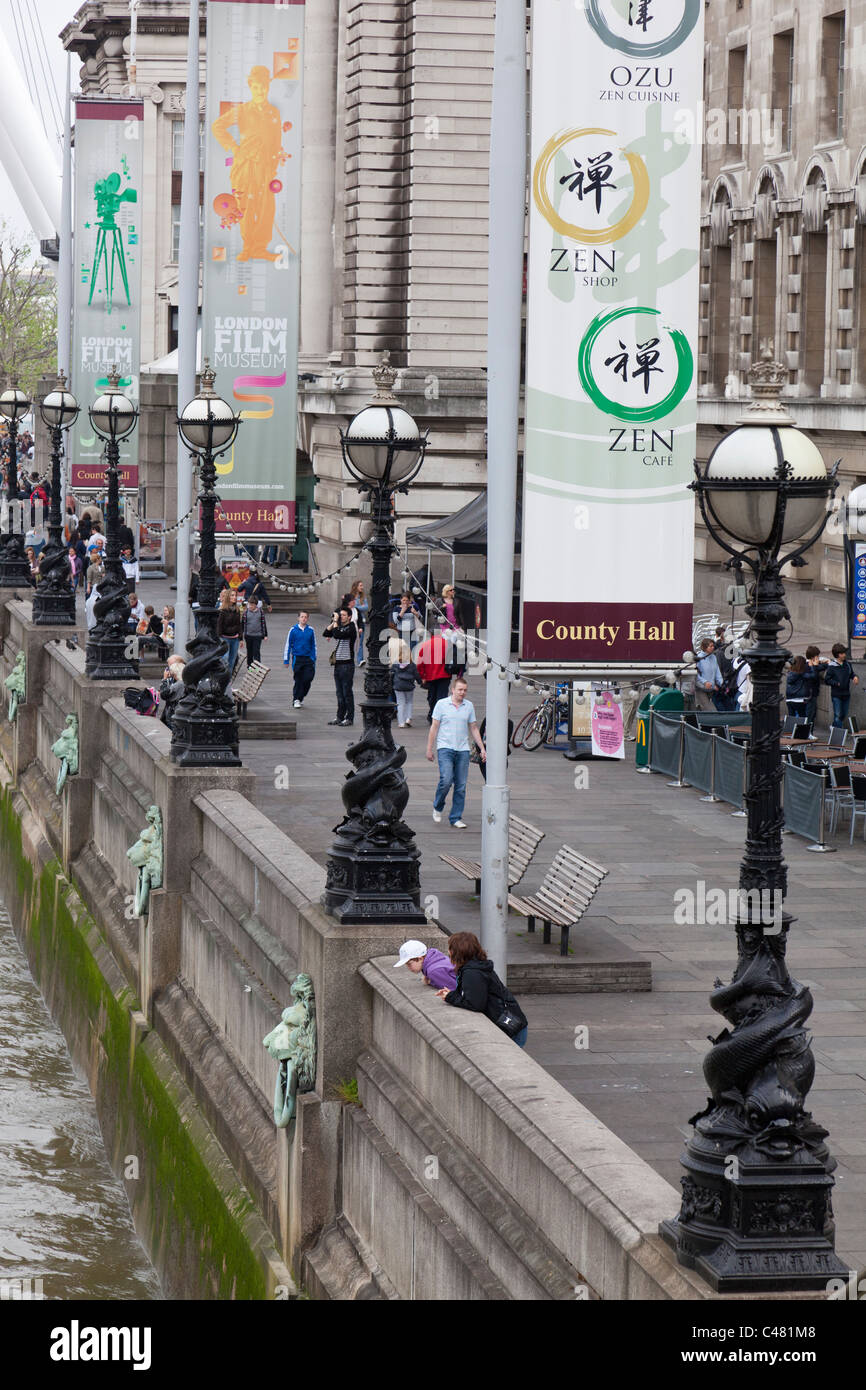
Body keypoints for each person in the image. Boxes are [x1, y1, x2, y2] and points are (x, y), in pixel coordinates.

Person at [437, 932, 528, 1048]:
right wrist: (451, 993)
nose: (448, 952)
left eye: (450, 948)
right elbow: (474, 993)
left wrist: (450, 997)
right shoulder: (476, 966)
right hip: (514, 1023)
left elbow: (475, 1004)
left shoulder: (472, 973)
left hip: (511, 1028)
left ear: (457, 952)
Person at [426, 676, 486, 828]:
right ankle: (438, 806)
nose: (462, 693)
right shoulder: (441, 704)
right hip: (445, 747)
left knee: (460, 785)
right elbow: (434, 727)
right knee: (446, 780)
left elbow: (473, 727)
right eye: (460, 690)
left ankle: (456, 817)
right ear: (453, 690)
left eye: (465, 690)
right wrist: (429, 748)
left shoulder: (469, 706)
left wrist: (482, 748)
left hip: (462, 749)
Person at [323, 607, 356, 726]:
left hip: (347, 665)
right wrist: (333, 622)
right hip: (338, 665)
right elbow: (326, 633)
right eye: (340, 615)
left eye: (343, 615)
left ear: (349, 616)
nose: (341, 617)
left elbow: (337, 635)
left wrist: (336, 623)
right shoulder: (339, 626)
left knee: (347, 693)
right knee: (339, 693)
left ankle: (349, 718)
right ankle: (339, 716)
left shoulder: (352, 627)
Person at [416, 628, 451, 723]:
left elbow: (420, 663)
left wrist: (422, 676)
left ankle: (432, 714)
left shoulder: (426, 645)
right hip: (444, 675)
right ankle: (439, 716)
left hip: (430, 675)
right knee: (442, 696)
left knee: (432, 696)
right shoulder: (447, 644)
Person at [284, 610, 317, 708]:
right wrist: (286, 660)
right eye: (302, 617)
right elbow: (288, 645)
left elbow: (314, 645)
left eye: (305, 617)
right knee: (298, 679)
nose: (304, 619)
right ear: (298, 618)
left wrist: (313, 658)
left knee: (308, 678)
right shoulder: (293, 630)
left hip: (308, 659)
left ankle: (301, 696)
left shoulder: (311, 630)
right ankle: (296, 699)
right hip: (297, 658)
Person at [824, 643, 859, 728]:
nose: (844, 655)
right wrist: (836, 683)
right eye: (842, 653)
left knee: (843, 714)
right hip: (836, 694)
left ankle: (834, 726)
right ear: (838, 655)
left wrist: (854, 677)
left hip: (846, 694)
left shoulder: (847, 664)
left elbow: (851, 674)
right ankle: (839, 734)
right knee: (838, 714)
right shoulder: (832, 666)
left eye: (844, 653)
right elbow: (827, 680)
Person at [390, 639, 422, 727]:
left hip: (398, 686)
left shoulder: (395, 664)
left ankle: (401, 722)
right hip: (409, 686)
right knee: (409, 702)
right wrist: (420, 682)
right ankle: (408, 718)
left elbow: (391, 674)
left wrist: (391, 683)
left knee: (400, 703)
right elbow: (417, 675)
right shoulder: (412, 665)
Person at [217, 589, 243, 674]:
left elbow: (239, 625)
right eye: (232, 595)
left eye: (235, 595)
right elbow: (219, 626)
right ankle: (223, 681)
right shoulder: (222, 611)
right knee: (225, 660)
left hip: (235, 639)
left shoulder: (237, 610)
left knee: (232, 662)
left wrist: (241, 638)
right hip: (225, 638)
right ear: (228, 597)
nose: (234, 597)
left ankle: (228, 684)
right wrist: (219, 638)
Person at [158, 655, 187, 731]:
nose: (168, 669)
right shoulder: (173, 676)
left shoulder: (180, 682)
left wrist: (164, 680)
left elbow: (164, 694)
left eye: (171, 665)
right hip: (171, 711)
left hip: (176, 712)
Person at [695, 638, 724, 711]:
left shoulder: (714, 657)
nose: (713, 647)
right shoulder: (699, 658)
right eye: (710, 646)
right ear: (704, 647)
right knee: (711, 710)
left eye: (713, 646)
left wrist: (721, 683)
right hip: (701, 689)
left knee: (703, 710)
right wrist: (705, 682)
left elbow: (717, 672)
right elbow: (695, 674)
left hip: (711, 689)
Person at [785, 656, 812, 725]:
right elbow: (812, 676)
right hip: (799, 699)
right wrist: (812, 666)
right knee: (802, 719)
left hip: (789, 699)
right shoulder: (801, 674)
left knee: (791, 719)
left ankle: (791, 733)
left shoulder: (790, 672)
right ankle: (803, 734)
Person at [242, 596, 268, 665]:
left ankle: (256, 669)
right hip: (248, 635)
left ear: (256, 605)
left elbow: (263, 623)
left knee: (256, 652)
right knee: (249, 652)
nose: (250, 606)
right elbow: (242, 624)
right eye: (249, 604)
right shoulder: (246, 613)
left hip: (257, 636)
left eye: (252, 605)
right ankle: (250, 668)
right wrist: (241, 636)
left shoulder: (261, 612)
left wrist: (265, 635)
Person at [805, 646, 826, 726]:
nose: (819, 658)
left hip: (813, 693)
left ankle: (809, 732)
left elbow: (825, 666)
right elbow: (813, 676)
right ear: (813, 657)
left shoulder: (814, 665)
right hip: (810, 694)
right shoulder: (807, 666)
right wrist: (815, 666)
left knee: (812, 714)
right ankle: (807, 733)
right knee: (809, 714)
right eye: (817, 656)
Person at [351, 580, 369, 666]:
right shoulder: (351, 597)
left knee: (360, 641)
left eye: (362, 585)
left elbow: (366, 607)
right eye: (360, 585)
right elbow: (349, 607)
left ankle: (360, 660)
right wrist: (359, 607)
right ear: (356, 587)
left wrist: (356, 608)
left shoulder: (363, 597)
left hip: (361, 622)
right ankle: (350, 658)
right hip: (352, 621)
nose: (362, 587)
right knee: (351, 641)